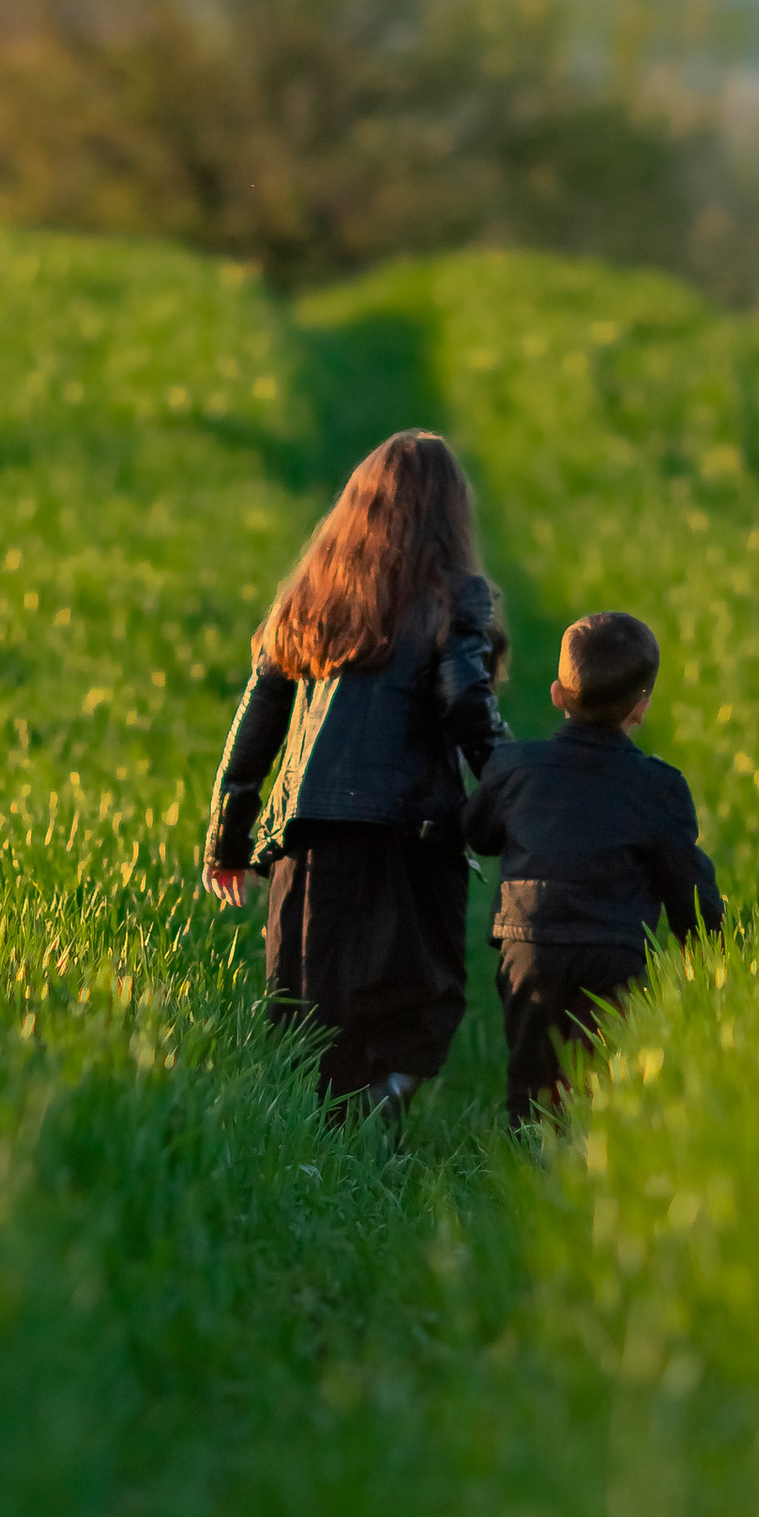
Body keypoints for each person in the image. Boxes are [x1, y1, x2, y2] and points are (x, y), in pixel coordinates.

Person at [203, 430, 511, 1115]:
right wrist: (517, 787)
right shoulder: (454, 597)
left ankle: (326, 1154)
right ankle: (382, 1111)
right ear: (449, 516)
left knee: (309, 1011)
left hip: (307, 833)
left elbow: (257, 723)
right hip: (407, 832)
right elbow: (466, 702)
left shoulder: (312, 597)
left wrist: (228, 838)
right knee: (417, 1003)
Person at [460, 610, 721, 1128]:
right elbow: (685, 880)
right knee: (602, 1079)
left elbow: (478, 832)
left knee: (532, 1080)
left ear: (558, 693)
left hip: (529, 944)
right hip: (613, 950)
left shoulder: (515, 767)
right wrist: (705, 942)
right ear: (641, 707)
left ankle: (528, 1168)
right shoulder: (659, 787)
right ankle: (590, 1174)